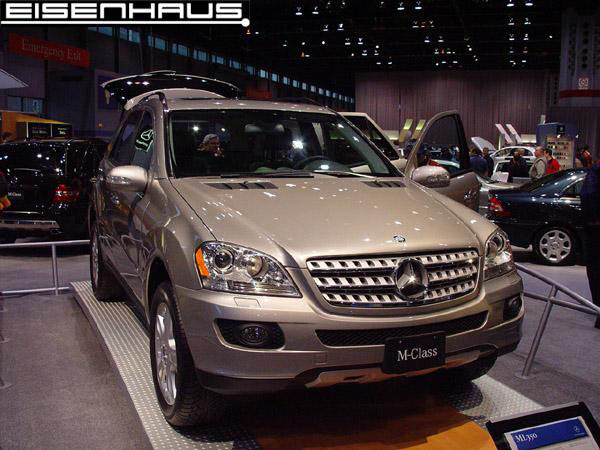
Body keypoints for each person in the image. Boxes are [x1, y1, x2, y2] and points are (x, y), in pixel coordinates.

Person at [580, 161, 600, 329]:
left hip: (596, 229)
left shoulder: (596, 170)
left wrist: (593, 219)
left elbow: (588, 194)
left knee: (596, 269)